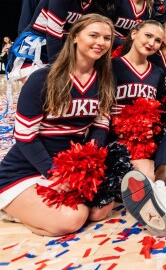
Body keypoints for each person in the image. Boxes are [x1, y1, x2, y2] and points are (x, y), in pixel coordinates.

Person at [0, 14, 115, 236]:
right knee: (73, 218)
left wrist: (87, 163)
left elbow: (101, 125)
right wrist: (54, 173)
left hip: (71, 168)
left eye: (107, 38)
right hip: (28, 168)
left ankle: (36, 212)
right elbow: (25, 137)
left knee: (102, 208)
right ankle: (12, 207)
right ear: (74, 37)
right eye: (93, 35)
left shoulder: (105, 79)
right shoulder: (42, 78)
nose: (100, 42)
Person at [114, 21, 166, 236]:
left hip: (147, 138)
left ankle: (152, 194)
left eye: (157, 40)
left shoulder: (156, 73)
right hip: (119, 138)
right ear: (134, 34)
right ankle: (160, 209)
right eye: (147, 36)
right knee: (151, 175)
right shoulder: (113, 66)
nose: (152, 43)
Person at [10, 0, 115, 80]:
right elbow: (53, 33)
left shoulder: (99, 0)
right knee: (44, 89)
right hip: (38, 46)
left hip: (65, 49)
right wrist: (58, 69)